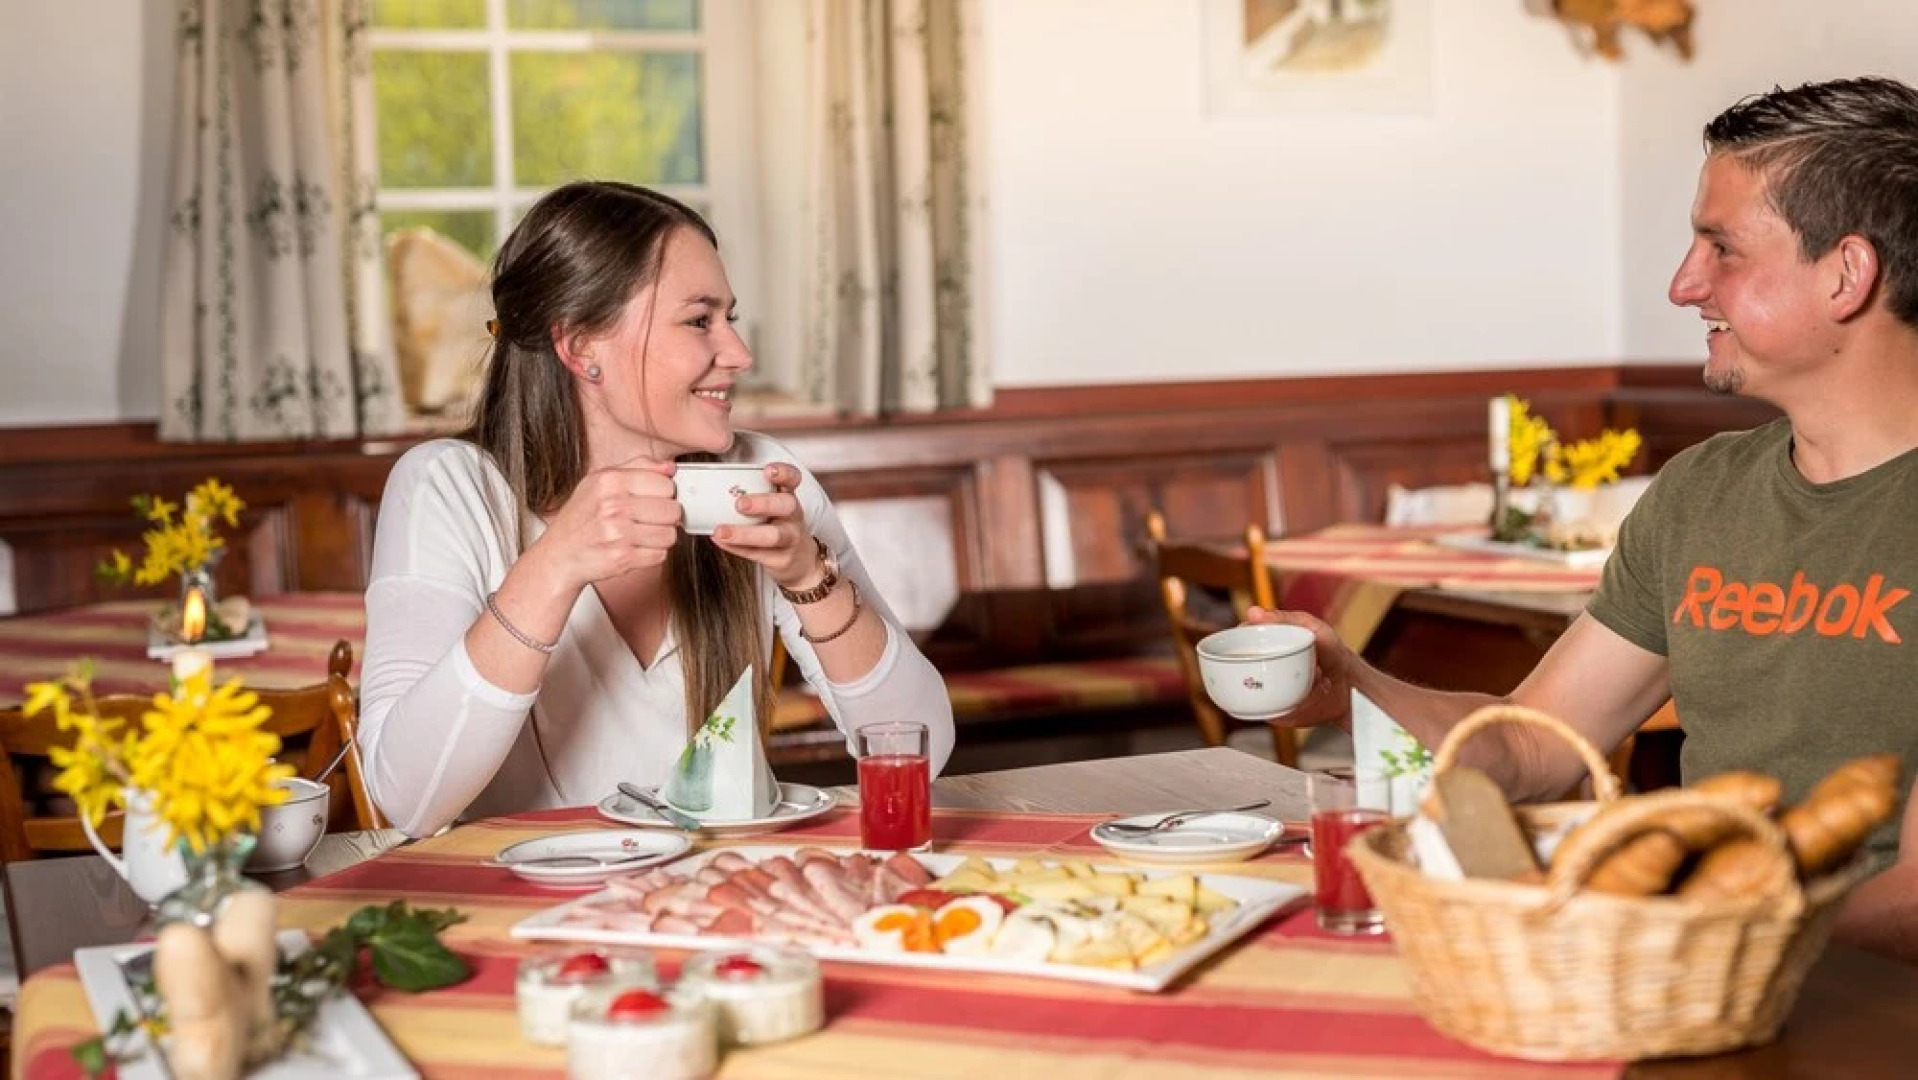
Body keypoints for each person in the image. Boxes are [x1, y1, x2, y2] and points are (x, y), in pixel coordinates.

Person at [1252, 77, 1918, 962]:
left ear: (1847, 274)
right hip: (1692, 982)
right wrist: (1358, 689)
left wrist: (1663, 943)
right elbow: (1536, 747)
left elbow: (1910, 901)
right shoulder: (1701, 492)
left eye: (1722, 248)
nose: (1684, 284)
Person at [358, 181, 955, 837]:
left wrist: (810, 577)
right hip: (528, 915)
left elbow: (921, 756)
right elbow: (407, 801)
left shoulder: (758, 480)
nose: (739, 354)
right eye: (700, 320)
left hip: (717, 899)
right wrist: (553, 567)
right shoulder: (449, 489)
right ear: (582, 347)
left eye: (731, 318)